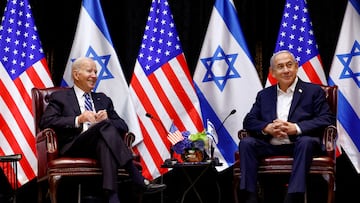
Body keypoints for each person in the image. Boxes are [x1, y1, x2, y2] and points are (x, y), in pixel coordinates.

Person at [40, 57, 166, 203]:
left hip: (100, 144)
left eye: (96, 71)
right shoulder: (60, 97)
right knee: (105, 127)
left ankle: (112, 197)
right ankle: (136, 176)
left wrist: (108, 119)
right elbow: (46, 121)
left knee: (104, 138)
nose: (94, 75)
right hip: (74, 145)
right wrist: (78, 119)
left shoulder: (103, 99)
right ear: (76, 75)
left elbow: (123, 126)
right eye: (89, 71)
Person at [238, 50, 335, 203]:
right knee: (246, 143)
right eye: (280, 66)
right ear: (272, 72)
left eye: (290, 65)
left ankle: (293, 196)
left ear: (296, 67)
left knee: (306, 142)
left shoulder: (313, 91)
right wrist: (267, 127)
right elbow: (249, 121)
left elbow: (327, 118)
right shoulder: (264, 95)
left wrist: (296, 128)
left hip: (300, 144)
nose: (286, 70)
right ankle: (249, 195)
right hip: (271, 144)